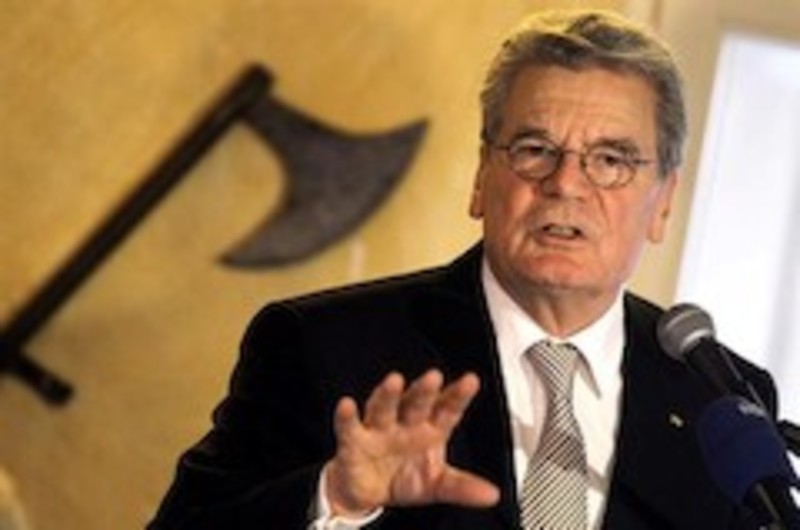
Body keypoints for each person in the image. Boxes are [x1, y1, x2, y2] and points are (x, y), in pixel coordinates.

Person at [149, 9, 778, 530]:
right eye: (535, 149)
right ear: (482, 177)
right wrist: (335, 499)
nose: (565, 184)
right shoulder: (322, 347)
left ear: (663, 201)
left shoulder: (720, 403)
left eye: (610, 160)